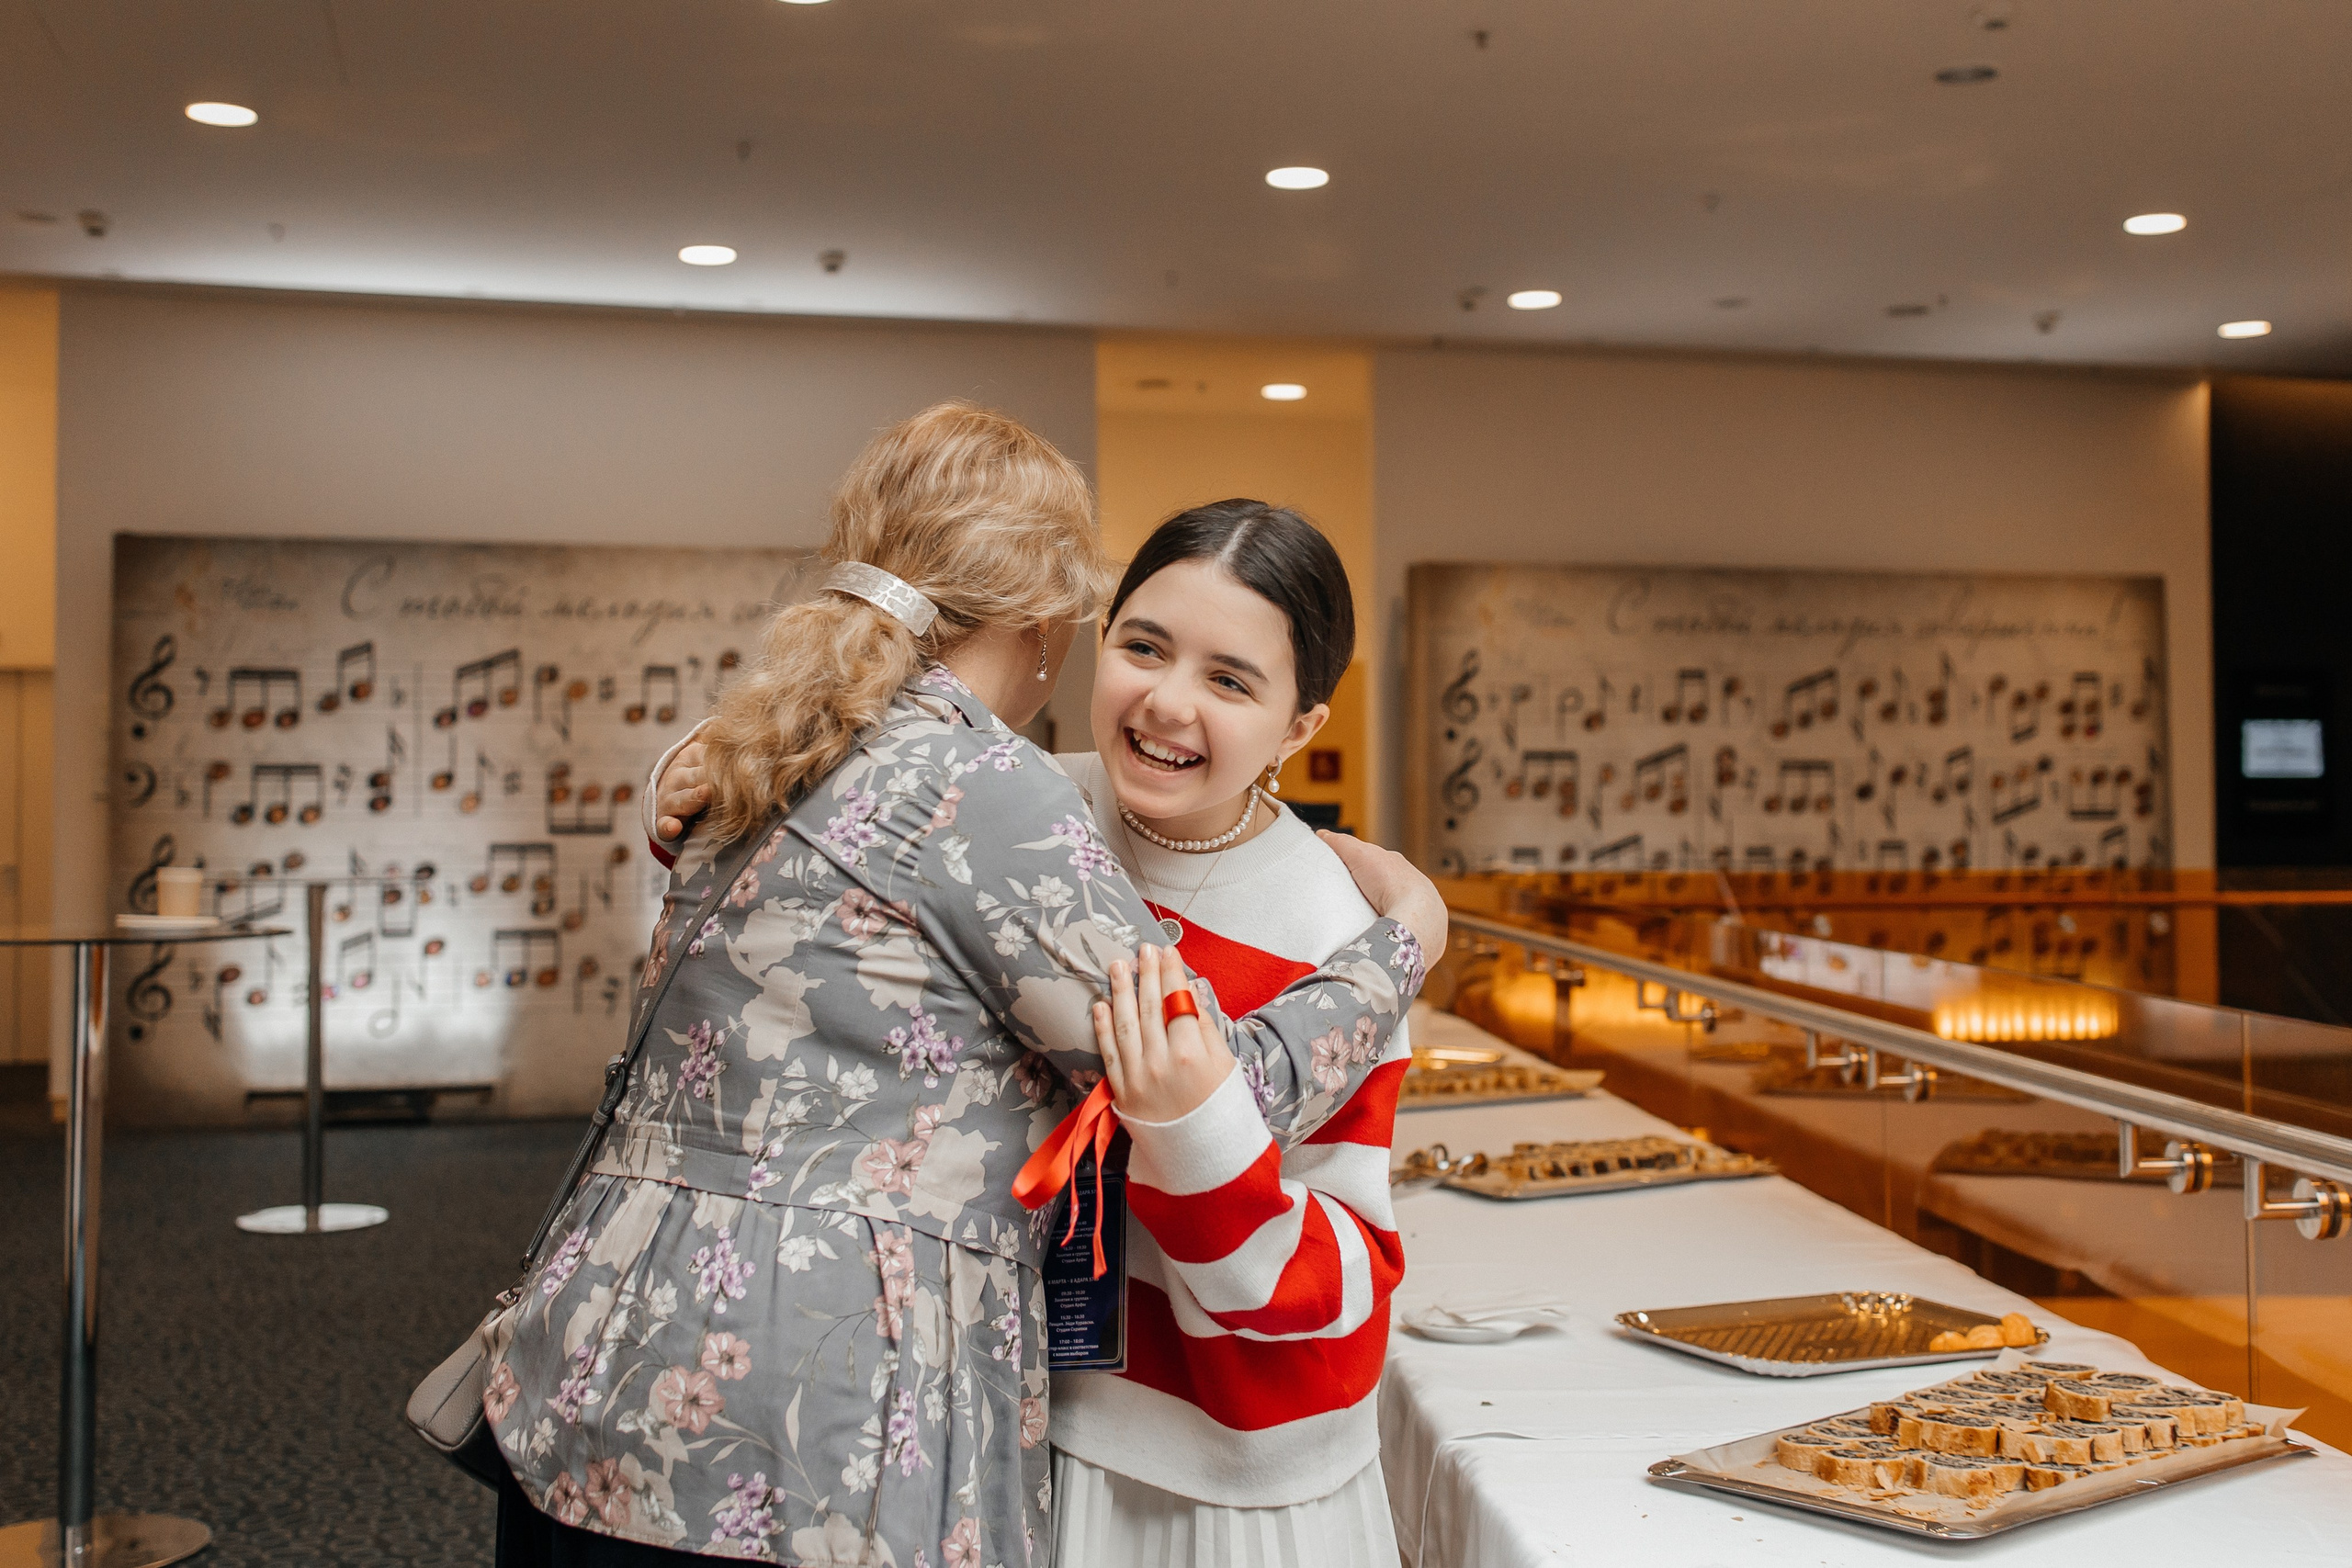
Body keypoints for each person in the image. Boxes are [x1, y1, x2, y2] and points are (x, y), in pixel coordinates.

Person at [485, 405, 1442, 1568]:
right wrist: (1409, 940)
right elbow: (1212, 1087)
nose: (1166, 702)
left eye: (1230, 678)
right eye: (1138, 645)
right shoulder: (1013, 793)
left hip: (596, 1356)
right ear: (1056, 627)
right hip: (812, 1412)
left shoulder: (790, 738)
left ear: (1302, 722)